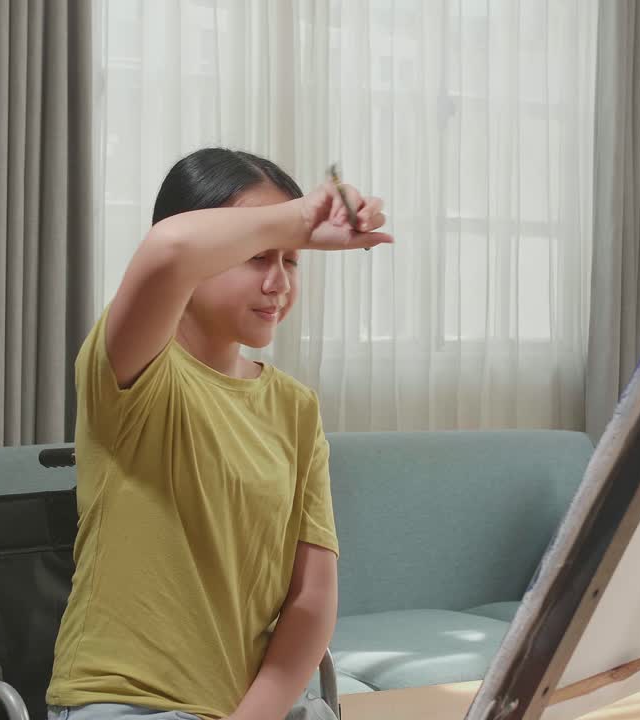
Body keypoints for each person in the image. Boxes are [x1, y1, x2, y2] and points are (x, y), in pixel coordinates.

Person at [46, 148, 392, 720]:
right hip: (126, 705)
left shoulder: (294, 408)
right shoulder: (133, 368)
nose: (278, 281)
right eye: (256, 256)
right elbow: (169, 250)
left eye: (292, 260)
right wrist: (303, 218)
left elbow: (312, 598)